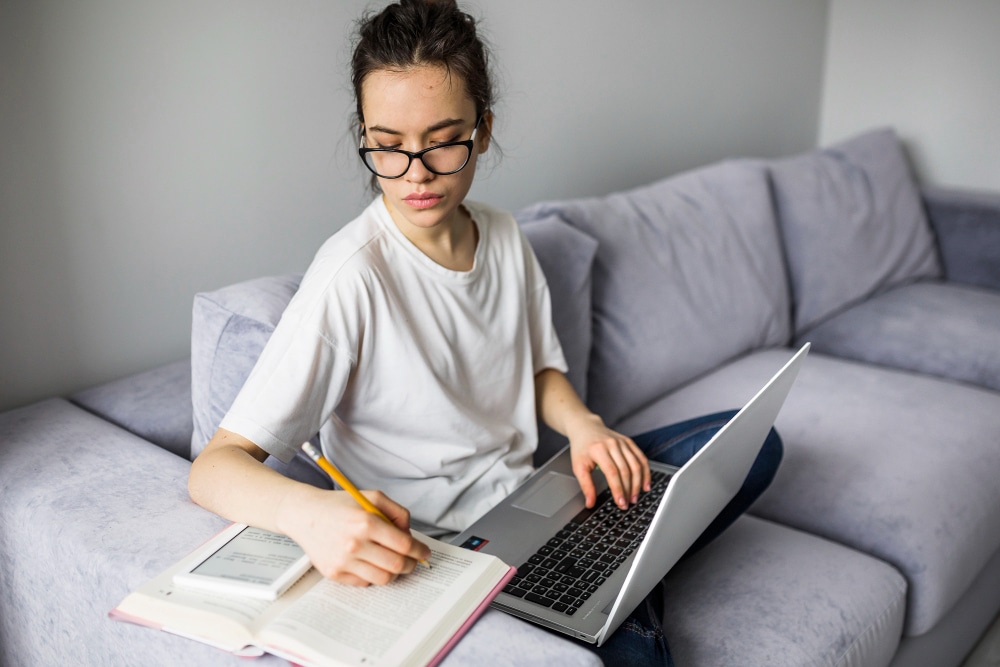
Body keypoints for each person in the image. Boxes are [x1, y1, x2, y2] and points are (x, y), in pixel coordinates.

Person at [188, 1, 782, 664]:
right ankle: (617, 590)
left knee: (750, 445)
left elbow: (538, 371)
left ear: (484, 129)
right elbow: (214, 470)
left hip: (537, 502)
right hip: (444, 548)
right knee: (638, 638)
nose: (416, 171)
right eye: (387, 146)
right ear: (366, 134)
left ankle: (612, 575)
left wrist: (585, 426)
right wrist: (312, 514)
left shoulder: (503, 236)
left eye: (443, 140)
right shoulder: (351, 275)